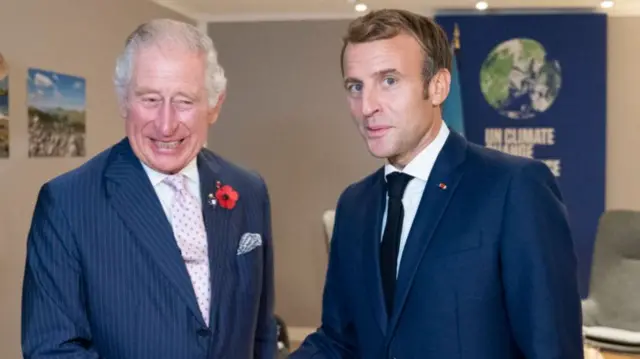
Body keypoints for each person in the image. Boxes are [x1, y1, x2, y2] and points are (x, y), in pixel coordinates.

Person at [290, 9, 583, 359]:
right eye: (356, 86)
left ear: (438, 86)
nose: (367, 106)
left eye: (389, 81)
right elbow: (339, 339)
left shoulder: (514, 188)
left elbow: (551, 347)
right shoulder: (354, 204)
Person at [21, 19, 276, 359]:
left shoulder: (249, 189)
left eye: (184, 101)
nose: (166, 124)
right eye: (150, 99)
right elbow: (53, 350)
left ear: (214, 105)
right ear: (124, 100)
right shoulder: (66, 203)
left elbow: (261, 330)